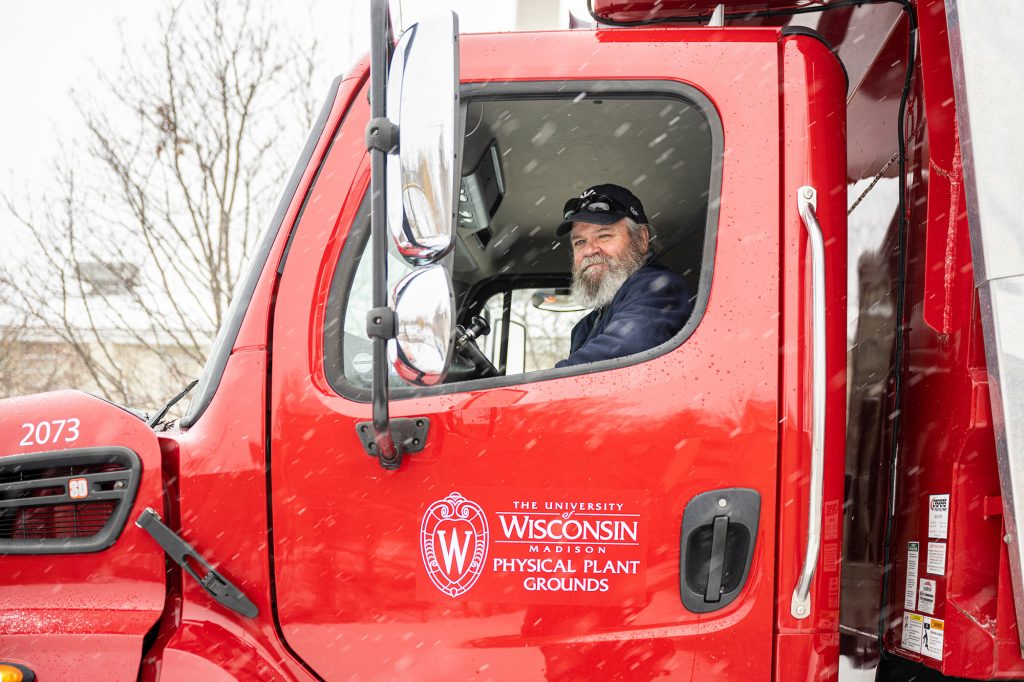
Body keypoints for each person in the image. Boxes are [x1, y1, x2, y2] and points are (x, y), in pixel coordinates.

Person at [554, 183, 692, 368]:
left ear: (642, 239)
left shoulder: (658, 287)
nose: (589, 250)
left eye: (604, 236)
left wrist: (537, 388)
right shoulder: (584, 328)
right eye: (580, 241)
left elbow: (630, 344)